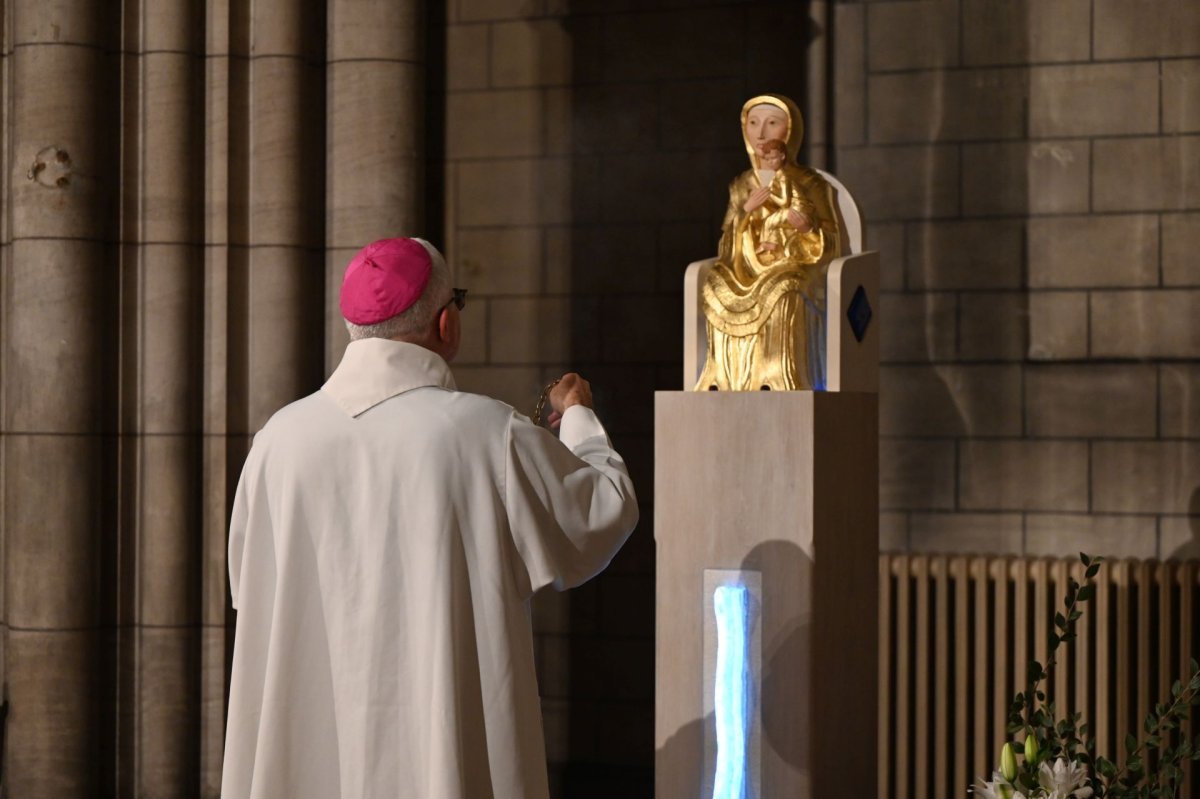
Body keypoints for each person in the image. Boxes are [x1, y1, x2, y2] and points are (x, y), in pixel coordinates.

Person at [221, 237, 639, 798]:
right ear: (446, 323)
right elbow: (603, 513)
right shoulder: (486, 433)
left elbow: (252, 592)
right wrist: (580, 416)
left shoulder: (278, 441)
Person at [695, 95, 841, 392]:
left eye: (772, 124)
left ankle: (779, 378)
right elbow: (727, 241)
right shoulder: (741, 184)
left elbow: (830, 240)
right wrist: (745, 211)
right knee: (713, 283)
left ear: (789, 133)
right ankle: (724, 380)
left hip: (790, 263)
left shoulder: (809, 182)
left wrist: (808, 229)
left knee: (785, 286)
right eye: (753, 124)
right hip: (747, 264)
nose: (760, 134)